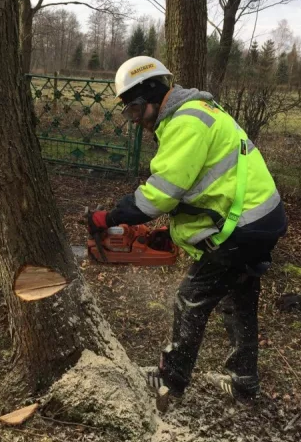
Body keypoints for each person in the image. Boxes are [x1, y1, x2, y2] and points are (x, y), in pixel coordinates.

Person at [88, 56, 287, 407]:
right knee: (238, 299)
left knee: (190, 297)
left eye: (135, 110)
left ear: (152, 93)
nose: (136, 122)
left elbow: (159, 195)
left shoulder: (185, 122)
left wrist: (111, 217)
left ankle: (171, 381)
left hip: (245, 226)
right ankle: (244, 381)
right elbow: (205, 186)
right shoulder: (198, 112)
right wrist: (177, 228)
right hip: (261, 218)